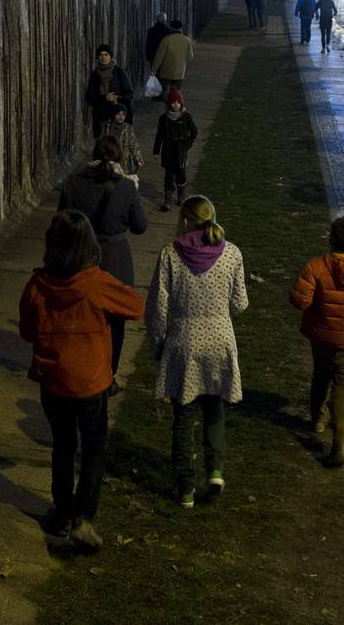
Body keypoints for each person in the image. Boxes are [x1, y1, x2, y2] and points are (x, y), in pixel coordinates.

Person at [19, 210, 145, 551]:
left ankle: (62, 512)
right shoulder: (95, 282)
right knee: (93, 448)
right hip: (90, 382)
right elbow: (135, 306)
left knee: (63, 445)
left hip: (53, 380)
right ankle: (83, 518)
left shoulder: (37, 285)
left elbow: (27, 331)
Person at [146, 195, 249, 508]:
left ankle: (186, 487)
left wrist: (158, 345)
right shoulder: (231, 254)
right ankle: (215, 469)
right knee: (214, 405)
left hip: (183, 342)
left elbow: (157, 309)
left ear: (185, 219)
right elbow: (240, 303)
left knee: (183, 415)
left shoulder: (169, 255)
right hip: (220, 340)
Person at [288, 216, 344, 468]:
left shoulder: (316, 267)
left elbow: (300, 300)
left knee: (321, 374)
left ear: (332, 240)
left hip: (320, 334)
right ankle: (341, 442)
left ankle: (318, 418)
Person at [58, 136, 148, 392]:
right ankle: (108, 376)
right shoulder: (126, 187)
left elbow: (61, 220)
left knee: (78, 318)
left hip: (80, 257)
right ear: (119, 157)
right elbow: (140, 226)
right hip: (116, 259)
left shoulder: (73, 183)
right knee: (114, 323)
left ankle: (78, 370)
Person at [152, 87, 199, 212]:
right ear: (169, 104)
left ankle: (181, 196)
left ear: (181, 103)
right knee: (168, 175)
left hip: (181, 151)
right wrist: (156, 151)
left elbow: (194, 131)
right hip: (168, 150)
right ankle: (167, 200)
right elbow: (160, 135)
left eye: (178, 102)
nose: (176, 105)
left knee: (181, 174)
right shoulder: (164, 118)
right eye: (173, 102)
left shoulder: (186, 117)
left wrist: (187, 145)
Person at [85, 44, 134, 139]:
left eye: (106, 54)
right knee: (103, 145)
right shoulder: (94, 75)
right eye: (101, 55)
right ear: (98, 57)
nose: (103, 57)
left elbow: (129, 93)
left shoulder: (119, 72)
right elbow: (90, 98)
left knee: (120, 146)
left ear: (110, 56)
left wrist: (118, 99)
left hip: (119, 115)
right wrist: (104, 98)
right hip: (101, 116)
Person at [150, 20, 194, 93]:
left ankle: (167, 103)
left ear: (171, 27)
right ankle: (174, 104)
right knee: (176, 93)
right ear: (181, 28)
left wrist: (154, 69)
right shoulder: (187, 40)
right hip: (179, 72)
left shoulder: (166, 40)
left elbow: (159, 57)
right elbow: (190, 57)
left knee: (164, 91)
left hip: (166, 72)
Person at [99, 106, 143, 177]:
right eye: (118, 114)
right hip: (110, 158)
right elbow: (101, 143)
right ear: (113, 114)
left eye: (123, 114)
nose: (121, 116)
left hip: (123, 160)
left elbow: (133, 144)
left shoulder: (127, 128)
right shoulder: (107, 127)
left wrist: (137, 158)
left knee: (121, 178)